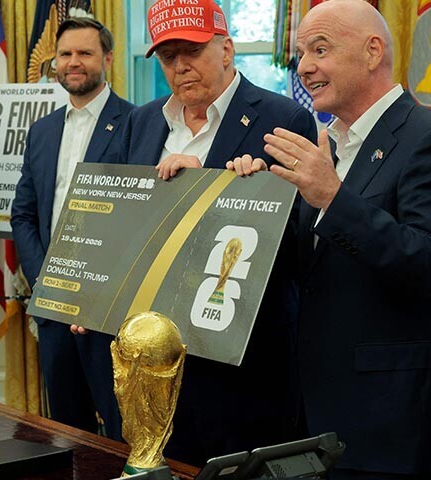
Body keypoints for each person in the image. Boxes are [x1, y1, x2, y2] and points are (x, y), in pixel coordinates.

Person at [231, 0, 431, 477]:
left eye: (320, 50)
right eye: (301, 53)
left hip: (395, 423)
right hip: (317, 412)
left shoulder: (430, 136)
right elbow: (310, 267)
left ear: (372, 52)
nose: (304, 67)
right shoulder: (328, 146)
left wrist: (332, 197)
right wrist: (254, 200)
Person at [117, 0, 317, 465]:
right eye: (168, 57)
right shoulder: (141, 122)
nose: (180, 66)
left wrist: (212, 187)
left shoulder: (284, 118)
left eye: (192, 51)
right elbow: (128, 223)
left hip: (244, 364)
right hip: (159, 358)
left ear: (226, 49)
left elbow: (302, 248)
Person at [11, 17, 135, 441]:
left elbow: (138, 220)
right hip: (53, 306)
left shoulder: (137, 123)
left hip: (108, 311)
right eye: (65, 54)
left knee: (121, 431)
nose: (73, 62)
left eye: (84, 53)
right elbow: (23, 214)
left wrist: (94, 291)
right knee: (66, 431)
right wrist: (45, 281)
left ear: (108, 59)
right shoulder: (42, 131)